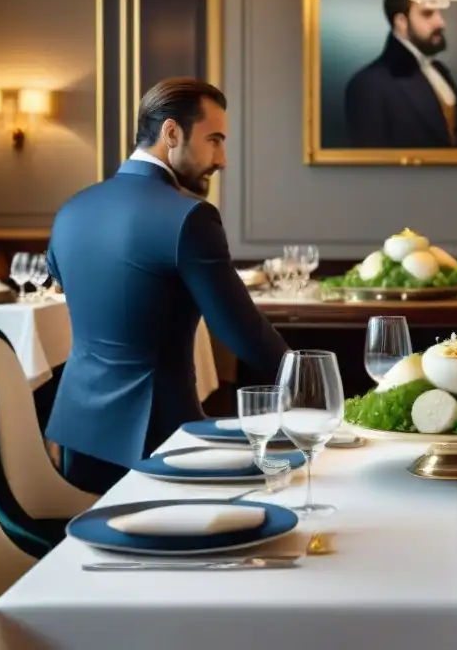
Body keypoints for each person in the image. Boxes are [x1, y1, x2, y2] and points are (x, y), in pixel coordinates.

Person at [46, 77, 289, 494]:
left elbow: (66, 286)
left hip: (74, 441)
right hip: (158, 440)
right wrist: (315, 381)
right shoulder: (191, 217)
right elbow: (244, 334)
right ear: (172, 132)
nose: (222, 159)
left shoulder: (72, 208)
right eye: (214, 140)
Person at [344, 0, 457, 149]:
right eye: (427, 14)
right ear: (401, 22)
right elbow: (371, 165)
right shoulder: (368, 84)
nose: (441, 22)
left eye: (439, 13)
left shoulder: (439, 70)